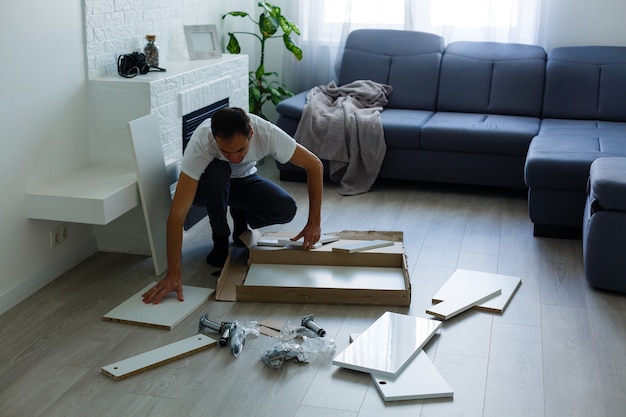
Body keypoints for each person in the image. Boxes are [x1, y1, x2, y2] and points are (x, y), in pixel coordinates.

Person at [142, 107, 323, 304]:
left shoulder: (266, 133)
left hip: (243, 182)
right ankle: (220, 238)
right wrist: (173, 274)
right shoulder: (202, 140)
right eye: (226, 152)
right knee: (218, 171)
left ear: (251, 134)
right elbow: (177, 215)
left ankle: (240, 216)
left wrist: (314, 222)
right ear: (214, 138)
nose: (235, 158)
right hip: (208, 188)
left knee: (286, 208)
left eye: (240, 150)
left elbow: (314, 165)